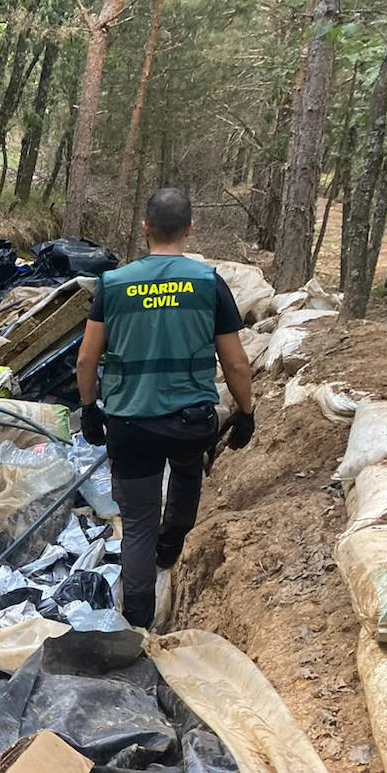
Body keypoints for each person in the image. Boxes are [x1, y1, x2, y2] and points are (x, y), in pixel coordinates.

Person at [76, 187, 255, 629]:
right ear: (190, 229)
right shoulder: (208, 283)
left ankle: (136, 620)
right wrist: (247, 412)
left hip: (130, 422)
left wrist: (88, 408)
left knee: (136, 523)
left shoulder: (113, 284)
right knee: (189, 467)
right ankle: (172, 545)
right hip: (190, 421)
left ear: (145, 228)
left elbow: (86, 358)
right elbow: (234, 360)